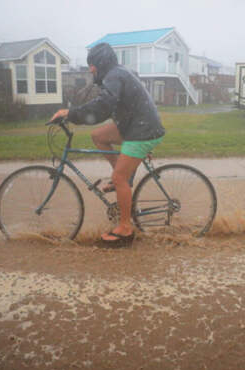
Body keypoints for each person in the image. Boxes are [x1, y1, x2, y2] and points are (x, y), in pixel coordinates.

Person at [50, 42, 165, 247]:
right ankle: (124, 179)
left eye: (92, 64)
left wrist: (71, 113)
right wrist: (75, 113)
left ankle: (125, 228)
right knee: (99, 136)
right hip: (135, 124)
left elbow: (103, 107)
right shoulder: (115, 74)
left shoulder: (113, 76)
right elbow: (106, 106)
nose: (91, 68)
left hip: (142, 130)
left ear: (102, 62)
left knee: (118, 176)